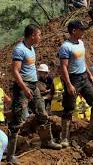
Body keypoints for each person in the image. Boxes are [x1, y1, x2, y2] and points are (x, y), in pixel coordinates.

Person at [7, 24, 62, 164]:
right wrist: (25, 88)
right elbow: (15, 71)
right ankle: (10, 156)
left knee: (42, 113)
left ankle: (47, 141)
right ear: (32, 35)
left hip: (34, 85)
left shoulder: (31, 48)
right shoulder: (20, 49)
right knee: (18, 120)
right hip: (22, 87)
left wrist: (32, 86)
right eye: (39, 34)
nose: (40, 37)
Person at [59, 20, 93, 148]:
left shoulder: (81, 43)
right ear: (74, 31)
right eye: (82, 29)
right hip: (73, 79)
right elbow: (63, 67)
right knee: (68, 109)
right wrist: (68, 84)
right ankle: (64, 138)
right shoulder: (65, 47)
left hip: (84, 78)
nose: (84, 31)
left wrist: (89, 74)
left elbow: (82, 59)